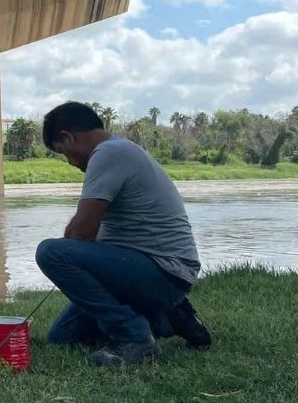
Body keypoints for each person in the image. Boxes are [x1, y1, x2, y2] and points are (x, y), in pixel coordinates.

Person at [35, 102, 211, 367]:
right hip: (152, 271)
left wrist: (69, 254)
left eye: (64, 153)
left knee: (50, 252)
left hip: (165, 272)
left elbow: (81, 234)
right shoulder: (117, 151)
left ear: (67, 136)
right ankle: (170, 315)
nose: (70, 162)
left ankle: (133, 337)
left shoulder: (109, 153)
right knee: (64, 337)